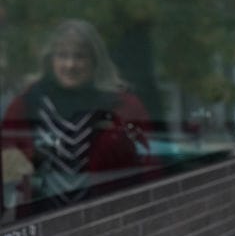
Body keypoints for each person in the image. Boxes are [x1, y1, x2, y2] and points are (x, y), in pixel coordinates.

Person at [1, 19, 150, 216]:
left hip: (109, 219)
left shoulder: (124, 106)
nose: (70, 65)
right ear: (51, 60)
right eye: (62, 56)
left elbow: (149, 166)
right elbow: (6, 164)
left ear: (95, 60)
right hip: (41, 222)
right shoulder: (27, 105)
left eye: (80, 57)